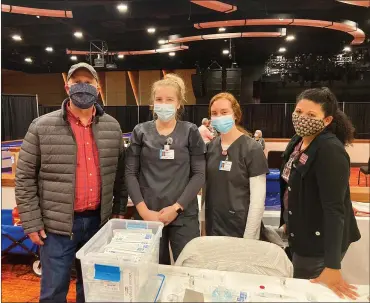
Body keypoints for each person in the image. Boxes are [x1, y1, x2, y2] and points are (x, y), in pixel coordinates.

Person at [15, 62, 127, 303]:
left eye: (88, 82)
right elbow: (24, 178)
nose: (83, 87)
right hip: (56, 229)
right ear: (67, 87)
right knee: (54, 292)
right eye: (77, 82)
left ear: (98, 87)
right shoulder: (41, 126)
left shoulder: (112, 127)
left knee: (93, 290)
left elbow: (120, 176)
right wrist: (32, 222)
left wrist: (117, 212)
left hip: (99, 224)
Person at [280, 87, 360, 299]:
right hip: (300, 232)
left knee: (309, 294)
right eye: (298, 112)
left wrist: (332, 266)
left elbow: (335, 210)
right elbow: (291, 185)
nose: (301, 118)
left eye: (311, 115)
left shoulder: (330, 150)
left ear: (326, 120)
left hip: (319, 244)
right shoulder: (298, 140)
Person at [125, 74, 206, 264]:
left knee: (188, 270)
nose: (164, 104)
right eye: (159, 99)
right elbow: (130, 173)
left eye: (170, 100)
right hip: (148, 215)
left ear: (179, 104)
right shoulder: (141, 131)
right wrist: (144, 211)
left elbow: (199, 174)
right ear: (152, 103)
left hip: (183, 216)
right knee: (152, 274)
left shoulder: (190, 131)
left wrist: (177, 208)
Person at [205, 92, 269, 239]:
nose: (219, 116)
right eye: (214, 113)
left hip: (241, 227)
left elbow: (258, 200)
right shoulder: (211, 147)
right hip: (214, 225)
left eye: (224, 112)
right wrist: (203, 224)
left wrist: (250, 238)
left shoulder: (252, 148)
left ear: (235, 114)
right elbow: (207, 190)